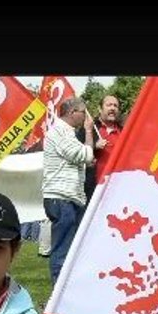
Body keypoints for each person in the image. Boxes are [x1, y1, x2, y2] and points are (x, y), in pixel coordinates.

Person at [42, 96, 97, 285]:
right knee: (63, 248)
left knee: (70, 246)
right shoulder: (60, 131)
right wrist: (89, 132)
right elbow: (84, 154)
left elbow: (82, 158)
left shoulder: (66, 133)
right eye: (84, 112)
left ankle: (64, 288)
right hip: (61, 198)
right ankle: (58, 291)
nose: (86, 118)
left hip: (68, 197)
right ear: (73, 112)